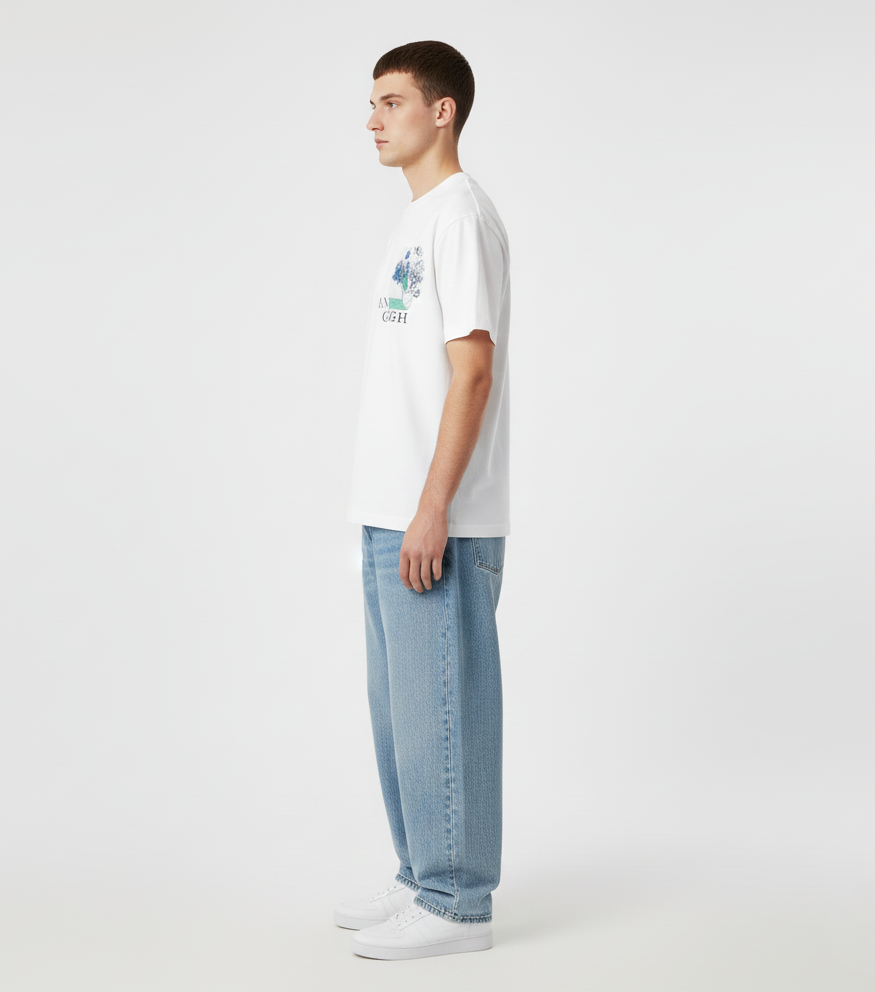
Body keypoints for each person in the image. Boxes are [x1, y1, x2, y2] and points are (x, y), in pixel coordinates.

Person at [337, 40, 512, 961]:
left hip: (435, 515)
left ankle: (457, 901)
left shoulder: (460, 217)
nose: (372, 120)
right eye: (372, 103)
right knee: (404, 713)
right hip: (389, 513)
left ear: (442, 111)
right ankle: (419, 876)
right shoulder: (417, 220)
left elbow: (472, 372)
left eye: (391, 102)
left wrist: (434, 506)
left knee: (446, 705)